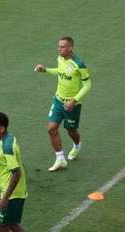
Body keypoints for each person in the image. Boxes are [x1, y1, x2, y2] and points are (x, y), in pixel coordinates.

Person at [33, 36, 91, 171]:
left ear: (70, 48)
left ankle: (77, 145)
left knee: (71, 130)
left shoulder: (79, 64)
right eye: (58, 46)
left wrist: (74, 100)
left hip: (73, 105)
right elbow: (60, 72)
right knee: (51, 129)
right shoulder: (60, 59)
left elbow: (87, 85)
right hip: (58, 100)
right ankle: (60, 159)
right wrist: (45, 70)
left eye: (62, 47)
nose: (59, 49)